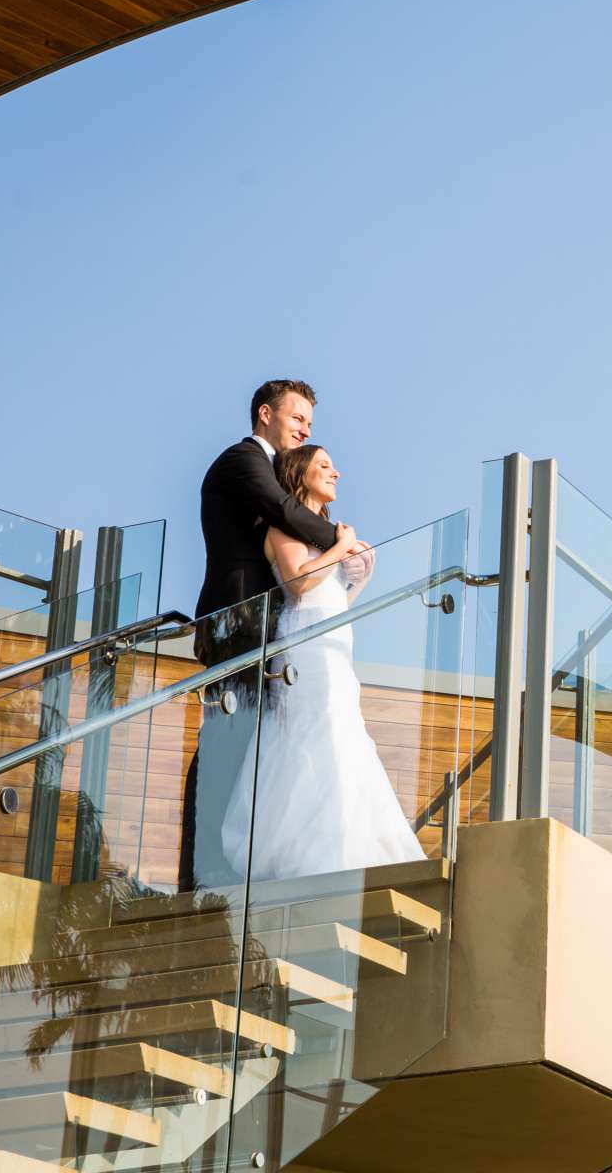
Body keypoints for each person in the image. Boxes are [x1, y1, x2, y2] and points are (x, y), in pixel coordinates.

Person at [213, 444, 425, 881]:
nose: (336, 473)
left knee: (343, 730)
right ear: (300, 472)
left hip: (334, 642)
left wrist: (359, 580)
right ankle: (309, 853)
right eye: (324, 465)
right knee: (316, 730)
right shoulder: (283, 527)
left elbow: (333, 599)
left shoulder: (320, 533)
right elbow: (299, 584)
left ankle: (352, 844)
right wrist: (342, 546)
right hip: (303, 643)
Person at [179, 379, 360, 890]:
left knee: (250, 743)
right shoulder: (242, 460)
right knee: (225, 738)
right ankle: (205, 871)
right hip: (235, 617)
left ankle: (231, 866)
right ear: (265, 414)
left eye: (309, 423)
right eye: (297, 418)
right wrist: (341, 540)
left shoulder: (268, 467)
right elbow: (284, 511)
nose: (304, 429)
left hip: (263, 624)